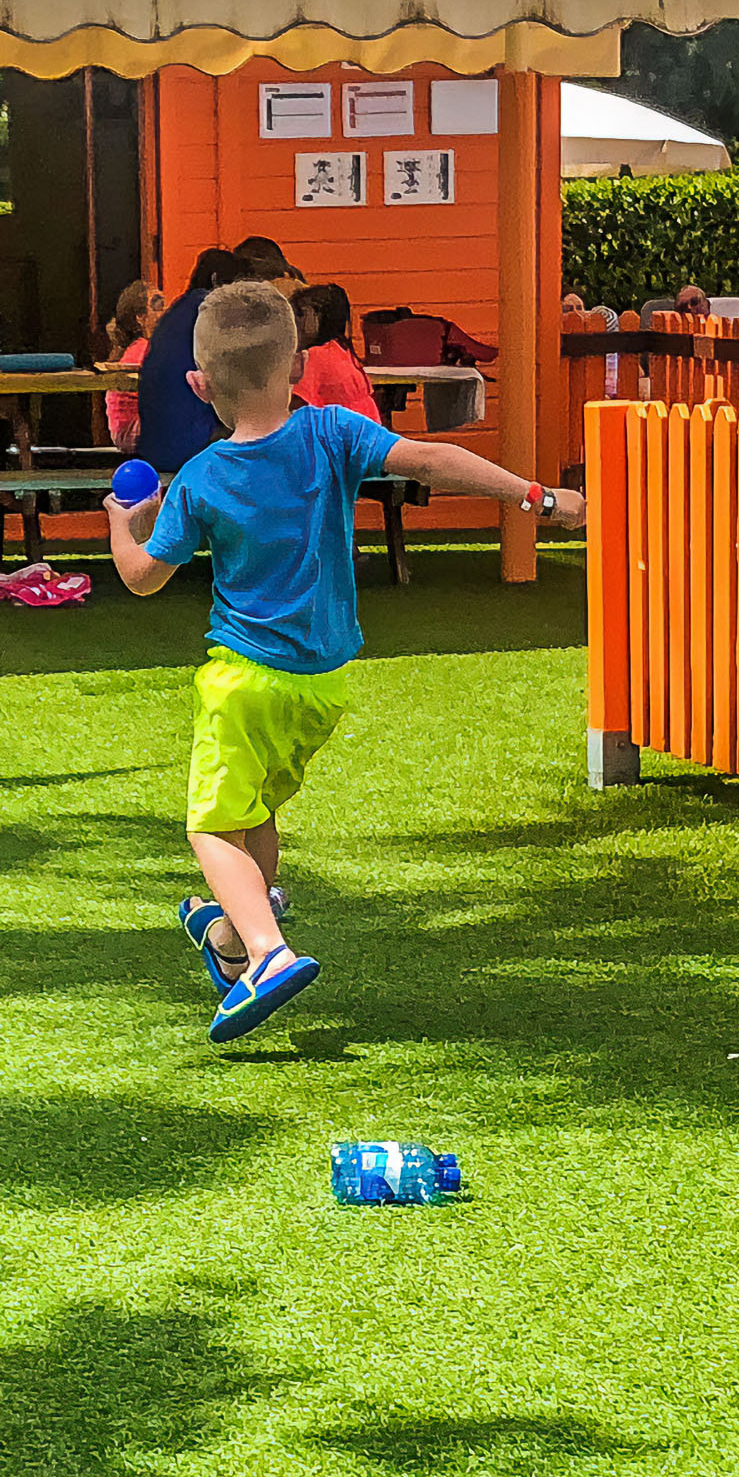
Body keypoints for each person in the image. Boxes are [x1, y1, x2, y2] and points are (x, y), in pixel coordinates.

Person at [106, 284, 588, 1045]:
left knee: (210, 828)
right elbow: (432, 459)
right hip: (322, 688)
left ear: (198, 386)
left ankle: (265, 952)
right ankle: (231, 937)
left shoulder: (199, 477)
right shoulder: (332, 432)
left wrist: (121, 526)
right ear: (298, 363)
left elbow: (141, 577)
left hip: (243, 683)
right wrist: (538, 497)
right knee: (255, 811)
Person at [137, 246, 246, 475]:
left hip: (154, 447)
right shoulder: (211, 311)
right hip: (189, 447)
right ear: (217, 281)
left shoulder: (178, 309)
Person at [291, 283, 379, 422]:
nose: (294, 320)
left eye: (300, 313)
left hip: (339, 436)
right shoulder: (342, 349)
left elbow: (296, 405)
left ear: (320, 316)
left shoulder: (314, 356)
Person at [101, 278, 164, 452]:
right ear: (140, 318)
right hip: (134, 432)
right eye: (158, 305)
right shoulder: (142, 350)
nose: (165, 311)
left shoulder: (145, 347)